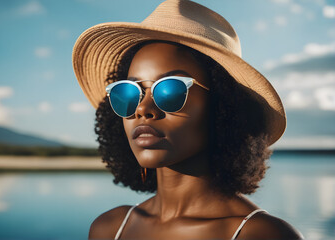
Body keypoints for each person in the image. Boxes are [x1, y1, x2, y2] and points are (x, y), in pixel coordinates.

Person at [73, 0, 304, 239]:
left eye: (169, 91)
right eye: (128, 93)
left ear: (223, 104)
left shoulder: (262, 234)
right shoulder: (109, 228)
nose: (143, 109)